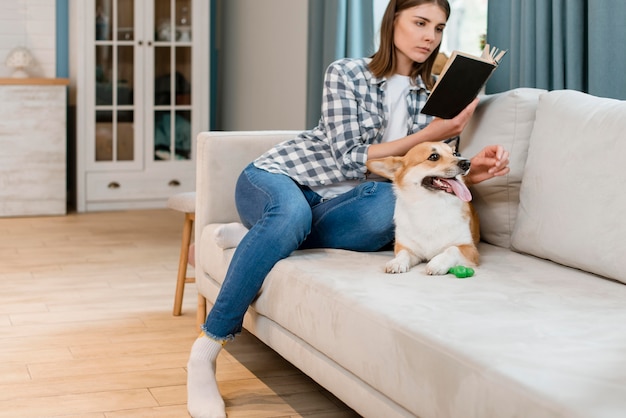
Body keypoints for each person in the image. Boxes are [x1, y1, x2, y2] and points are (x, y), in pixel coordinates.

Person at [187, 0, 510, 416]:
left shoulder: (434, 98)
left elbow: (424, 178)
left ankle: (259, 236)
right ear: (392, 22)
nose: (430, 36)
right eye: (420, 22)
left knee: (385, 206)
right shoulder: (347, 73)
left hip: (340, 205)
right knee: (291, 213)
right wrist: (428, 134)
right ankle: (206, 350)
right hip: (282, 177)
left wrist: (473, 172)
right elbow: (348, 157)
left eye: (439, 27)